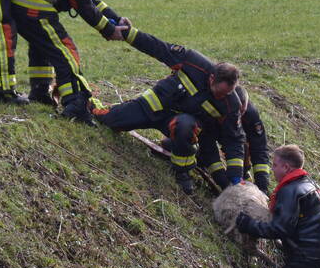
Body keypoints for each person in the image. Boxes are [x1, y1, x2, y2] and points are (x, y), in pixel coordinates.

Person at [94, 27, 245, 195]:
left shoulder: (231, 105)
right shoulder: (192, 61)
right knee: (109, 120)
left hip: (178, 123)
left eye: (227, 94)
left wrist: (236, 177)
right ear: (211, 78)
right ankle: (88, 103)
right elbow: (157, 47)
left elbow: (234, 140)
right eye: (220, 92)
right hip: (151, 107)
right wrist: (128, 34)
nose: (222, 97)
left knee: (185, 125)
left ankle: (182, 172)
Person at [10, 0, 126, 124]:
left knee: (42, 49)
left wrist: (116, 18)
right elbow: (84, 6)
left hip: (21, 6)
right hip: (33, 9)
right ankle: (74, 105)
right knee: (66, 52)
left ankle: (40, 91)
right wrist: (109, 30)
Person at [236, 144, 320, 268]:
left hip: (304, 263)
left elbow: (280, 229)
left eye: (274, 165)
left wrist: (247, 224)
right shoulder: (311, 185)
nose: (272, 169)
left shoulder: (290, 191)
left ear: (286, 167)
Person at [196, 86, 271, 193]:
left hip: (235, 142)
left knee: (244, 145)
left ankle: (242, 174)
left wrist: (262, 186)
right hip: (213, 135)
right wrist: (221, 179)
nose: (237, 117)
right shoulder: (212, 111)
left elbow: (259, 150)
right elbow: (208, 146)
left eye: (241, 112)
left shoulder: (250, 115)